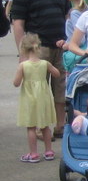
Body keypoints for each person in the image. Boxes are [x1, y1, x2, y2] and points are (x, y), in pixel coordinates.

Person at [10, 0, 71, 138]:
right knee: (37, 90)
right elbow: (18, 24)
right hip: (37, 47)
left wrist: (71, 41)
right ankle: (39, 127)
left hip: (61, 45)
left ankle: (60, 126)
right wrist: (23, 52)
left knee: (61, 87)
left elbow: (69, 16)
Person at [14, 33, 59, 163]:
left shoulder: (23, 65)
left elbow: (16, 83)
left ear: (23, 49)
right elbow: (56, 74)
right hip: (43, 97)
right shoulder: (45, 63)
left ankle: (33, 153)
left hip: (29, 98)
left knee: (31, 126)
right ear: (39, 47)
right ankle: (49, 151)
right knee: (45, 125)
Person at [61, 0, 88, 73]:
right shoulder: (87, 9)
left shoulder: (74, 13)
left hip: (76, 54)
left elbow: (80, 39)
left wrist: (67, 45)